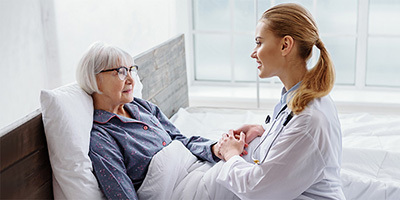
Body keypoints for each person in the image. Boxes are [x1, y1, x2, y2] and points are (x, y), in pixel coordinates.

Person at [216, 3, 345, 199]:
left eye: (259, 42)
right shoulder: (298, 96)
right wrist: (263, 132)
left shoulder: (310, 119)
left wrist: (230, 154)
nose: (253, 53)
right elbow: (291, 148)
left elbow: (256, 191)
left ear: (285, 45)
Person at [75, 42, 223, 200]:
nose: (131, 80)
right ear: (95, 79)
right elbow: (122, 195)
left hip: (196, 170)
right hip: (182, 191)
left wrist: (217, 148)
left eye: (131, 70)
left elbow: (179, 139)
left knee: (247, 154)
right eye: (121, 72)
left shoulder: (141, 106)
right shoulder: (101, 138)